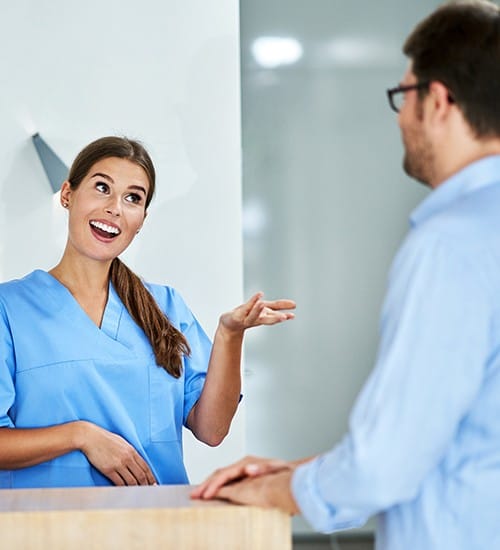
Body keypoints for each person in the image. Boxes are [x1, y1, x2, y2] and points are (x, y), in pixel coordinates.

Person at [192, 1, 500, 548]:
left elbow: (388, 462)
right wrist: (296, 476)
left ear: (440, 101)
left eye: (404, 96)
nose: (400, 117)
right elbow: (450, 435)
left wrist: (276, 491)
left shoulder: (448, 245)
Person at [0, 136, 295, 489]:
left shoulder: (165, 308)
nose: (115, 208)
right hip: (45, 531)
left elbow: (212, 429)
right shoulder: (9, 309)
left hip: (155, 523)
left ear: (141, 220)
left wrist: (229, 336)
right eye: (101, 187)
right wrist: (81, 436)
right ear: (67, 195)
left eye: (132, 198)